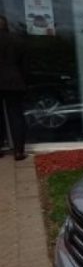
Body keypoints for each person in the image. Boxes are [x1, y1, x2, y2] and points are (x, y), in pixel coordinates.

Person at [0, 14, 28, 160]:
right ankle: (18, 151)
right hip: (14, 81)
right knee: (16, 115)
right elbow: (24, 66)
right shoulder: (17, 40)